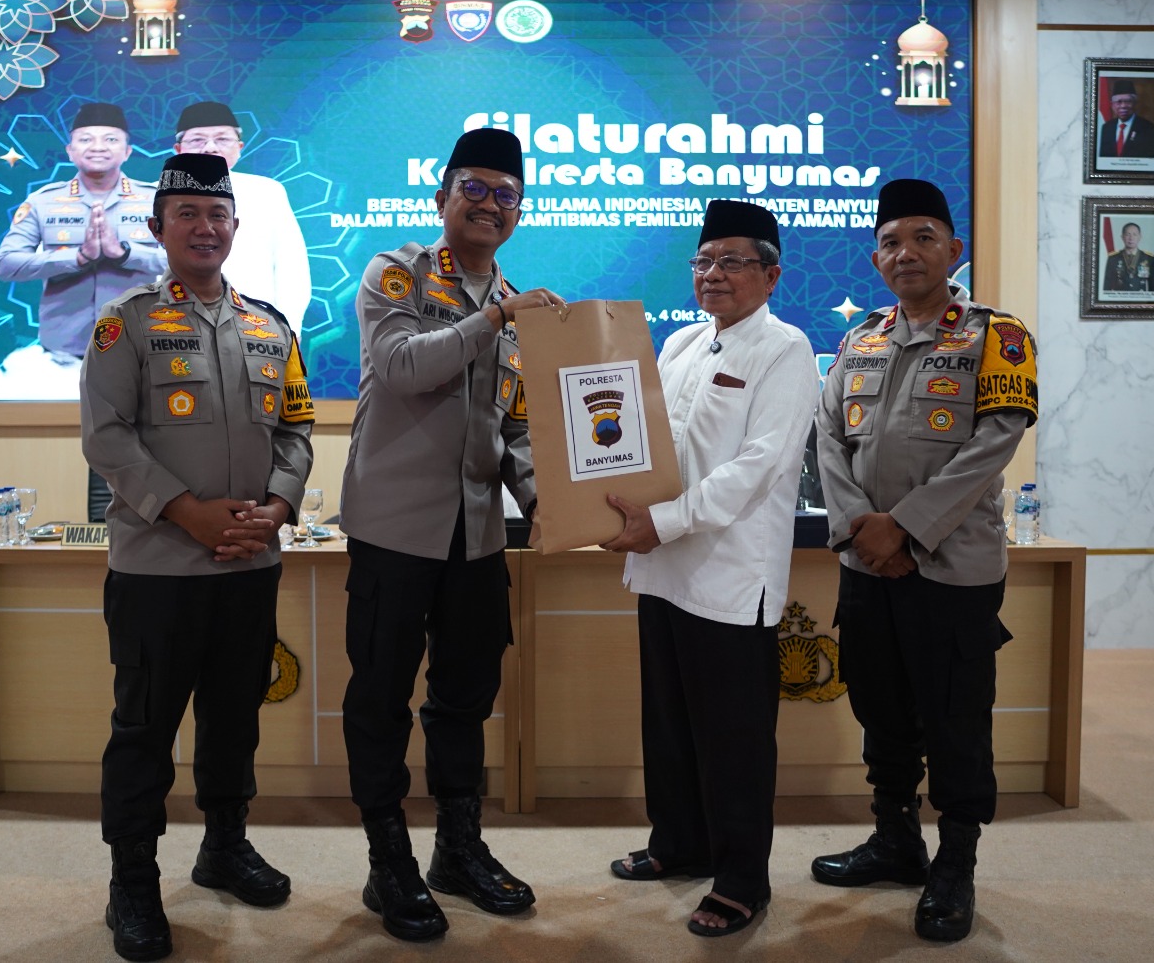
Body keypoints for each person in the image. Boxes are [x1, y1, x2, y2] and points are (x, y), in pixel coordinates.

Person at [80, 152, 316, 962]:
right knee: (144, 730)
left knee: (235, 720)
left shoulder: (270, 326)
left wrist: (276, 510)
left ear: (235, 227)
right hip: (157, 571)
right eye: (187, 214)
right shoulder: (126, 324)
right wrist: (188, 512)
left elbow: (296, 430)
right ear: (158, 228)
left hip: (249, 567)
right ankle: (133, 883)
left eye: (217, 215)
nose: (204, 227)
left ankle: (224, 846)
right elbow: (106, 436)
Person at [339, 127, 562, 942]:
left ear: (519, 213)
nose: (490, 205)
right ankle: (387, 862)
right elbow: (402, 366)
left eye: (507, 195)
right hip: (394, 531)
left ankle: (457, 851)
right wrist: (494, 316)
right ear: (442, 197)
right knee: (380, 700)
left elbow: (516, 427)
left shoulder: (517, 304)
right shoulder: (396, 272)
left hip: (477, 536)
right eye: (475, 188)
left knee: (465, 699)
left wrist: (545, 502)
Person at [811, 178, 1038, 943]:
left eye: (922, 238)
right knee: (881, 712)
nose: (905, 253)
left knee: (955, 720)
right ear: (876, 258)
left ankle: (955, 866)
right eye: (890, 242)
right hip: (865, 570)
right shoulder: (860, 339)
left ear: (953, 250)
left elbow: (995, 442)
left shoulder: (997, 336)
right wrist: (860, 532)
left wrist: (904, 531)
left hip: (952, 570)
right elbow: (827, 439)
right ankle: (896, 841)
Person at [600, 200, 817, 937]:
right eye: (703, 260)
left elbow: (759, 468)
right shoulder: (682, 342)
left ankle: (742, 879)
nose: (712, 274)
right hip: (662, 569)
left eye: (732, 261)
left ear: (771, 275)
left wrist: (659, 522)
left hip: (729, 577)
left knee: (733, 738)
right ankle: (679, 844)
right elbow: (647, 445)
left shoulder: (785, 350)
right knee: (667, 723)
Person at [0, 102, 165, 362]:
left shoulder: (156, 201)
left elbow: (183, 263)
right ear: (70, 151)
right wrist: (78, 257)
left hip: (140, 347)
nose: (98, 147)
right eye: (86, 139)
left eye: (110, 139)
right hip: (63, 353)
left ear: (127, 151)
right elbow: (6, 265)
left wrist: (124, 254)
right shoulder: (43, 201)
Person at [172, 101, 312, 336]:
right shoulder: (152, 196)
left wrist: (289, 330)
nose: (210, 148)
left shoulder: (267, 192)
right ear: (178, 149)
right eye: (197, 140)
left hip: (256, 329)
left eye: (222, 139)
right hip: (175, 330)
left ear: (239, 147)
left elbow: (292, 267)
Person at [1097, 79, 1154, 159]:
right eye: (1119, 102)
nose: (1123, 106)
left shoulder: (1150, 130)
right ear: (1112, 105)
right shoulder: (1106, 128)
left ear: (1135, 103)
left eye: (1128, 101)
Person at [1103, 222, 1154, 293]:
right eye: (1128, 234)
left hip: (1140, 297)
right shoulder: (1113, 258)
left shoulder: (1148, 258)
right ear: (1122, 237)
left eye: (1134, 234)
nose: (1131, 238)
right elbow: (1106, 286)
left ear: (1140, 237)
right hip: (1119, 297)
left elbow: (1153, 287)